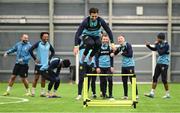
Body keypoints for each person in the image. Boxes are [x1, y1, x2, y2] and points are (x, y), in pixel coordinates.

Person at [144, 33, 170, 98]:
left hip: (164, 63)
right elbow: (155, 49)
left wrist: (156, 44)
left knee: (164, 79)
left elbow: (161, 53)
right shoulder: (159, 44)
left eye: (158, 38)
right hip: (159, 63)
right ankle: (152, 93)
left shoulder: (166, 45)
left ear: (161, 38)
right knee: (155, 77)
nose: (157, 39)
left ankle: (167, 94)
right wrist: (148, 46)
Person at [29, 32, 55, 97]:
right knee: (36, 78)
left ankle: (42, 92)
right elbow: (30, 50)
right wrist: (35, 59)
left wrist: (49, 58)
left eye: (47, 36)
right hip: (38, 65)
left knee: (43, 78)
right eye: (45, 36)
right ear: (41, 37)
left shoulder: (49, 44)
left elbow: (53, 51)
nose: (46, 38)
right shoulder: (38, 43)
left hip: (45, 65)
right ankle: (33, 92)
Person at [114, 35, 138, 100]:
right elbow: (114, 53)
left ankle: (136, 95)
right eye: (118, 39)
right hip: (123, 66)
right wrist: (112, 50)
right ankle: (125, 95)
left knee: (132, 80)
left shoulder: (128, 45)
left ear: (124, 39)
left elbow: (130, 55)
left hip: (130, 65)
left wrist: (121, 53)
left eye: (121, 38)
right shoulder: (120, 47)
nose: (120, 40)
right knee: (124, 81)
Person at [95, 34, 114, 100]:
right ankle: (104, 94)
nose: (105, 40)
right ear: (101, 40)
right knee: (103, 81)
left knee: (110, 80)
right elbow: (96, 58)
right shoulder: (98, 47)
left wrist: (112, 66)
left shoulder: (110, 47)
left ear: (108, 40)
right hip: (101, 67)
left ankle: (111, 94)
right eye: (104, 39)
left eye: (106, 39)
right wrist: (97, 67)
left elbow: (111, 58)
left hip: (108, 67)